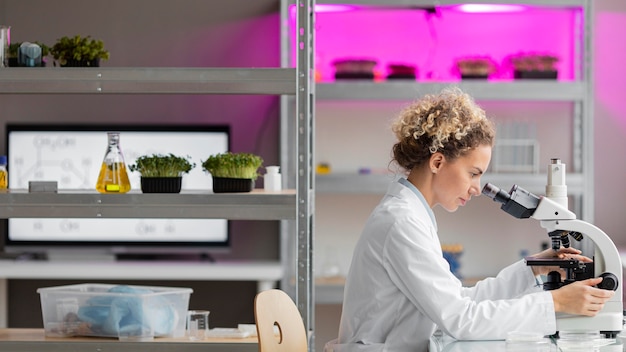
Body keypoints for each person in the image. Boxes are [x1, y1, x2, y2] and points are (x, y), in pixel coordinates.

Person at [328, 87, 614, 352]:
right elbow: (462, 319)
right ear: (438, 162)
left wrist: (532, 269)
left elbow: (461, 301)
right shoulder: (400, 222)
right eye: (474, 173)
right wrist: (555, 303)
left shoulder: (411, 215)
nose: (477, 188)